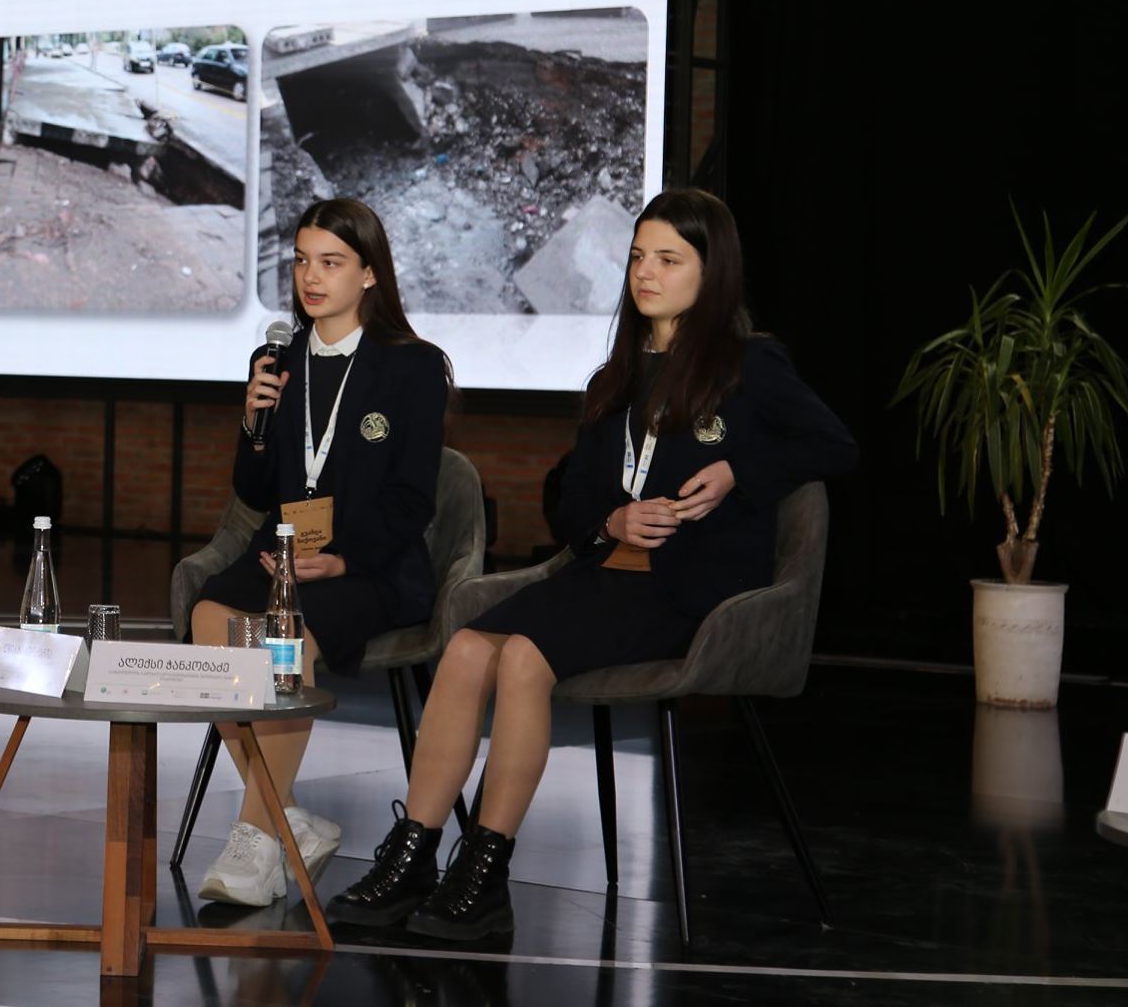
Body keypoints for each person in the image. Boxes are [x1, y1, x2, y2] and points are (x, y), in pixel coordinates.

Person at [326, 187, 858, 941]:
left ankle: (486, 872)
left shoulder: (751, 363)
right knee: (468, 646)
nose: (646, 273)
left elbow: (835, 446)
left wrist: (739, 470)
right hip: (605, 574)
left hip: (690, 591)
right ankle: (413, 854)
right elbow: (572, 501)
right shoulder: (617, 377)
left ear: (712, 272)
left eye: (668, 259)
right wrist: (611, 520)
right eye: (638, 257)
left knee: (523, 658)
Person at [190, 198, 453, 906]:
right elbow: (254, 488)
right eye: (302, 261)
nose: (311, 277)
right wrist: (253, 420)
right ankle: (286, 818)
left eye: (331, 263)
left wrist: (342, 558)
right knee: (210, 619)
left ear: (369, 273)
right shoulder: (278, 360)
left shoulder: (413, 367)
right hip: (281, 552)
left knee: (282, 640)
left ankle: (254, 840)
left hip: (369, 564)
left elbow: (412, 501)